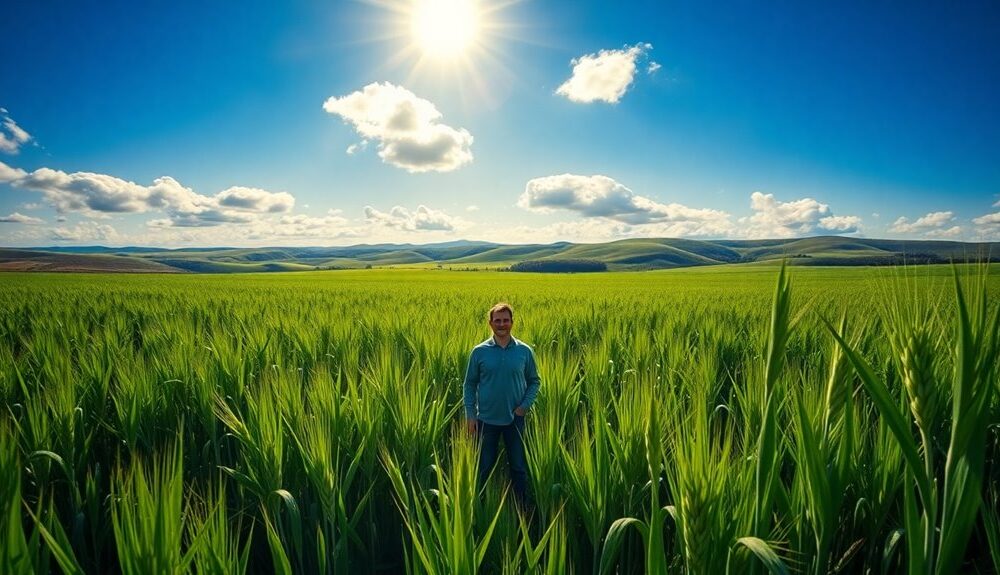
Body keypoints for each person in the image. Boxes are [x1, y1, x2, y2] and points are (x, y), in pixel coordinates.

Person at [463, 302, 540, 507]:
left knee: (518, 467)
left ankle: (521, 510)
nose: (502, 324)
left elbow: (535, 381)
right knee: (484, 467)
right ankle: (480, 508)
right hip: (485, 420)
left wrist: (524, 407)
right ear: (490, 323)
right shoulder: (479, 352)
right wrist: (470, 415)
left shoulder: (524, 351)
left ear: (512, 323)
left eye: (506, 320)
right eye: (497, 320)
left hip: (515, 420)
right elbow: (469, 384)